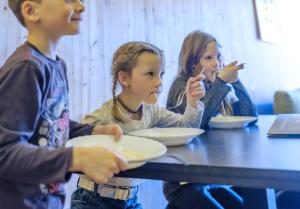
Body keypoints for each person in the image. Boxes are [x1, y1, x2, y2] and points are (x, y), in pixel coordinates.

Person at [0, 0, 128, 209]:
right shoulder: (26, 68)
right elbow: (5, 151)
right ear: (31, 11)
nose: (81, 6)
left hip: (48, 200)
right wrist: (74, 159)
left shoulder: (57, 65)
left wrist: (90, 131)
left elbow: (47, 123)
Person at [71, 41, 206, 209]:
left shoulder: (152, 111)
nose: (159, 82)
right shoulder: (104, 116)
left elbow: (186, 128)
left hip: (130, 201)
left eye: (161, 74)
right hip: (93, 200)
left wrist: (192, 103)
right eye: (150, 74)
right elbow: (75, 139)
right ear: (124, 78)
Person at [164, 30, 258, 209]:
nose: (217, 63)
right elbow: (198, 123)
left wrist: (236, 82)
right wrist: (221, 82)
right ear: (192, 63)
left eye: (219, 56)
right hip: (184, 181)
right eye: (208, 58)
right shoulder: (183, 87)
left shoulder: (217, 87)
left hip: (211, 177)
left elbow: (251, 117)